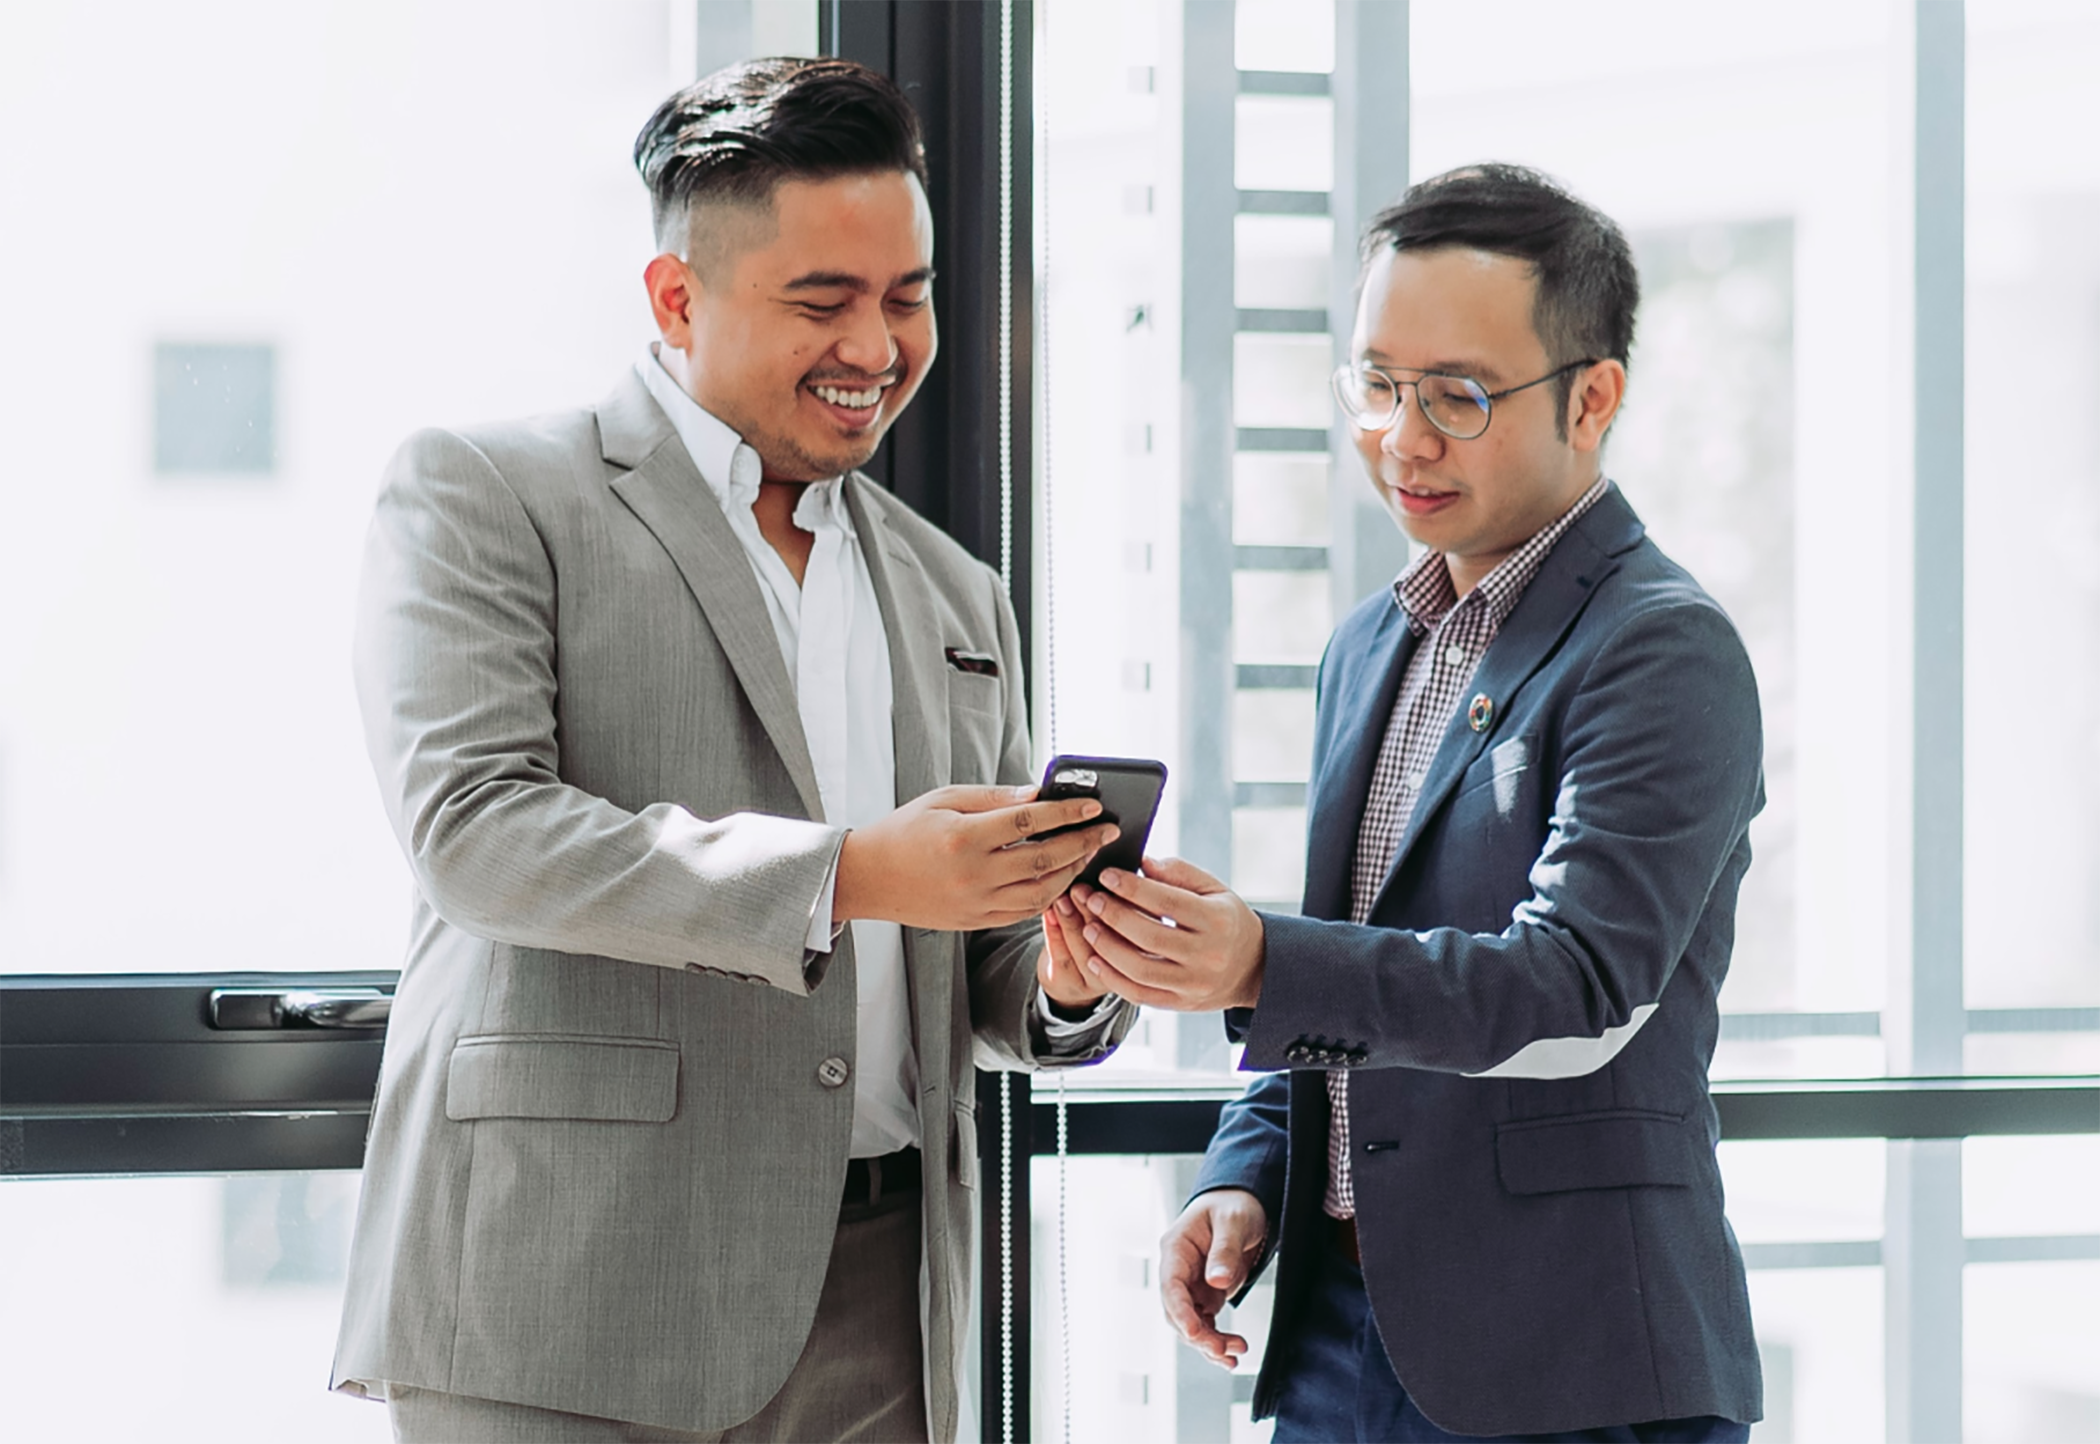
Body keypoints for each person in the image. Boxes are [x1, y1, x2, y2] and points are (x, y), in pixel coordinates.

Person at [333, 57, 1132, 1444]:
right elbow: (476, 832)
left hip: (888, 1296)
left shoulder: (958, 593)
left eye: (908, 296)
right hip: (574, 1289)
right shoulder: (487, 493)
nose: (877, 347)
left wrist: (1066, 977)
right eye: (822, 300)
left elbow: (975, 969)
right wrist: (851, 874)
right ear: (676, 298)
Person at [1050, 164, 1764, 1441]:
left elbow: (1575, 985)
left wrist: (1259, 959)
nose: (1403, 435)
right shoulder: (1371, 643)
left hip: (1574, 1363)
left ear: (1594, 397)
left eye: (1459, 394)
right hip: (1339, 1338)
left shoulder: (1662, 649)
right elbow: (1351, 982)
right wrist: (1249, 1176)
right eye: (1377, 384)